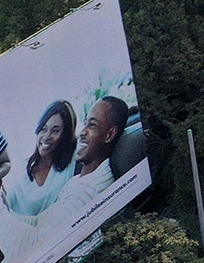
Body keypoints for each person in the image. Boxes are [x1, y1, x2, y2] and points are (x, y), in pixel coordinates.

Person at [0, 96, 126, 252]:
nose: (83, 132)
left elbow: (33, 246)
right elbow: (39, 222)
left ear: (109, 135)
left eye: (92, 125)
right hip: (13, 232)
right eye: (44, 129)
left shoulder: (87, 188)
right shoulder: (74, 181)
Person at [6, 102, 76, 217]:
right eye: (43, 129)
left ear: (65, 135)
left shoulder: (72, 161)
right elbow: (8, 200)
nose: (46, 137)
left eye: (55, 131)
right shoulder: (24, 174)